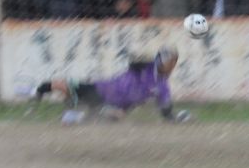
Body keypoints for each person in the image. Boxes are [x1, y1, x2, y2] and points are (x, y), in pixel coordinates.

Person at [22, 45, 191, 125]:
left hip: (115, 106)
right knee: (63, 86)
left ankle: (69, 117)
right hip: (102, 89)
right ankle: (35, 92)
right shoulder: (146, 67)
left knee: (112, 117)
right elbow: (133, 62)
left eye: (173, 62)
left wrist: (178, 118)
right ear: (160, 60)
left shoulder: (163, 87)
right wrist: (148, 58)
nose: (171, 65)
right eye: (169, 61)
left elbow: (166, 112)